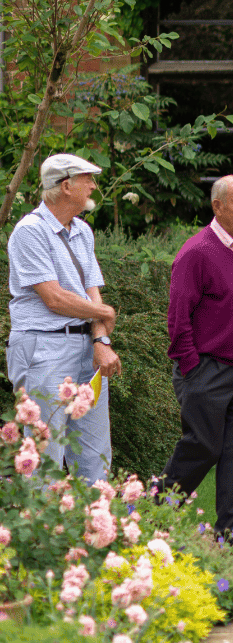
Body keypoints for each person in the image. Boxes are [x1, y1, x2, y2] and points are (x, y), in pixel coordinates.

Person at [158, 175, 233, 558]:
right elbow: (178, 318)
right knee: (202, 447)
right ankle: (151, 516)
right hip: (207, 370)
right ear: (218, 206)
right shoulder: (197, 252)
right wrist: (191, 366)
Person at [5, 153, 122, 484]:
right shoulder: (30, 232)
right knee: (45, 457)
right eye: (88, 179)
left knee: (96, 457)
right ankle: (43, 534)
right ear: (66, 185)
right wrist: (103, 313)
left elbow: (91, 293)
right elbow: (54, 298)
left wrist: (102, 341)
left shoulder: (83, 232)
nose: (94, 186)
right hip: (44, 349)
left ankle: (100, 533)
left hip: (85, 347)